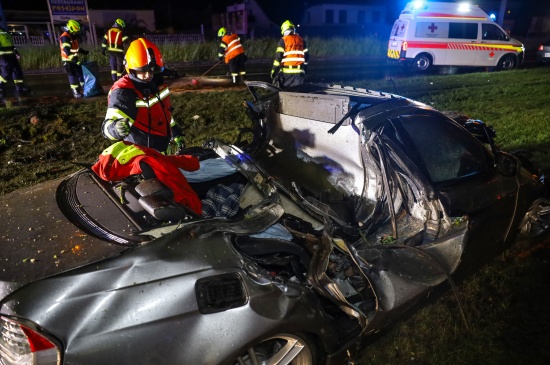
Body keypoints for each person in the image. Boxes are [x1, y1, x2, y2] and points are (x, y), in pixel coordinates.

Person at [101, 38, 183, 154]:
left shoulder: (158, 84)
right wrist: (115, 128)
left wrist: (175, 131)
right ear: (131, 69)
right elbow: (107, 126)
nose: (148, 75)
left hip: (163, 150)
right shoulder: (124, 91)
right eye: (143, 71)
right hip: (142, 155)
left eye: (151, 71)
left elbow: (164, 112)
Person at [271, 20, 309, 89]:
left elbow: (278, 57)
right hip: (300, 73)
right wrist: (305, 68)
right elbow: (306, 56)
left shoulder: (283, 40)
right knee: (298, 94)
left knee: (285, 93)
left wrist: (273, 70)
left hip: (287, 74)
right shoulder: (301, 40)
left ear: (284, 29)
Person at [59, 20, 89, 98]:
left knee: (80, 74)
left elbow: (73, 48)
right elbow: (67, 50)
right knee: (72, 76)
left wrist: (81, 51)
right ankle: (76, 92)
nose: (76, 33)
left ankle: (85, 89)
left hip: (73, 59)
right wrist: (74, 59)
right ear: (71, 29)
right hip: (68, 60)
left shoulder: (72, 36)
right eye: (75, 31)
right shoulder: (65, 37)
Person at [0, 26, 29, 99]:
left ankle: (20, 88)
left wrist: (16, 53)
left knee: (17, 71)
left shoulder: (4, 31)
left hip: (12, 55)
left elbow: (11, 44)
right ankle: (0, 87)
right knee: (6, 73)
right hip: (3, 56)